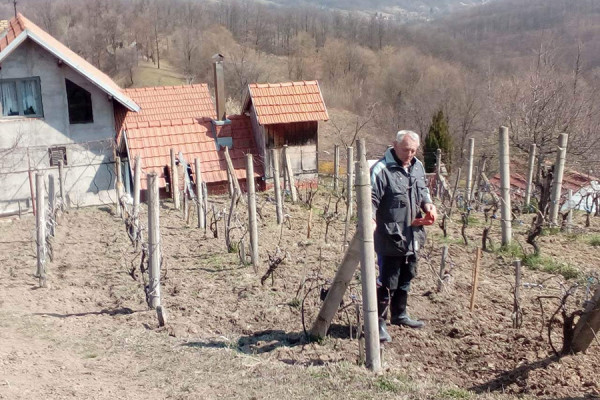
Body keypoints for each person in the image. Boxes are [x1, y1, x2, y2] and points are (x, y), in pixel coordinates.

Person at [370, 130, 437, 342]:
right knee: (388, 279)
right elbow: (370, 197)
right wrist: (370, 219)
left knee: (407, 275)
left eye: (414, 150)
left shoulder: (417, 167)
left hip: (412, 233)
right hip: (390, 234)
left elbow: (423, 189)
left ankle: (400, 314)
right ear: (395, 145)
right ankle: (379, 322)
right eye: (406, 149)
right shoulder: (381, 170)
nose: (410, 154)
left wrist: (428, 205)